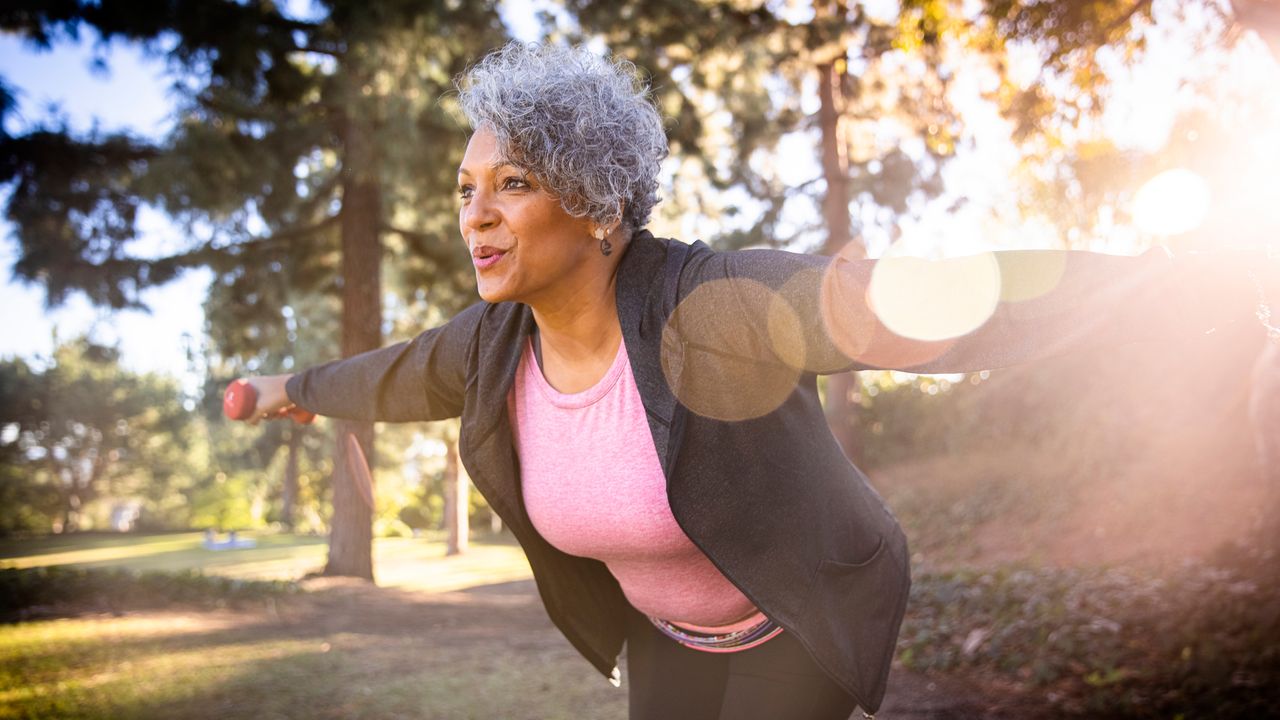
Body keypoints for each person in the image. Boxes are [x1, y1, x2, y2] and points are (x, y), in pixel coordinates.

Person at [233, 42, 1268, 719]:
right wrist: (287, 387)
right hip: (667, 625)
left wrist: (1159, 284)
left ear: (595, 205)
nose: (473, 215)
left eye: (512, 184)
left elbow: (934, 299)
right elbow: (391, 376)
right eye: (465, 189)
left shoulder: (708, 305)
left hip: (795, 602)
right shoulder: (488, 347)